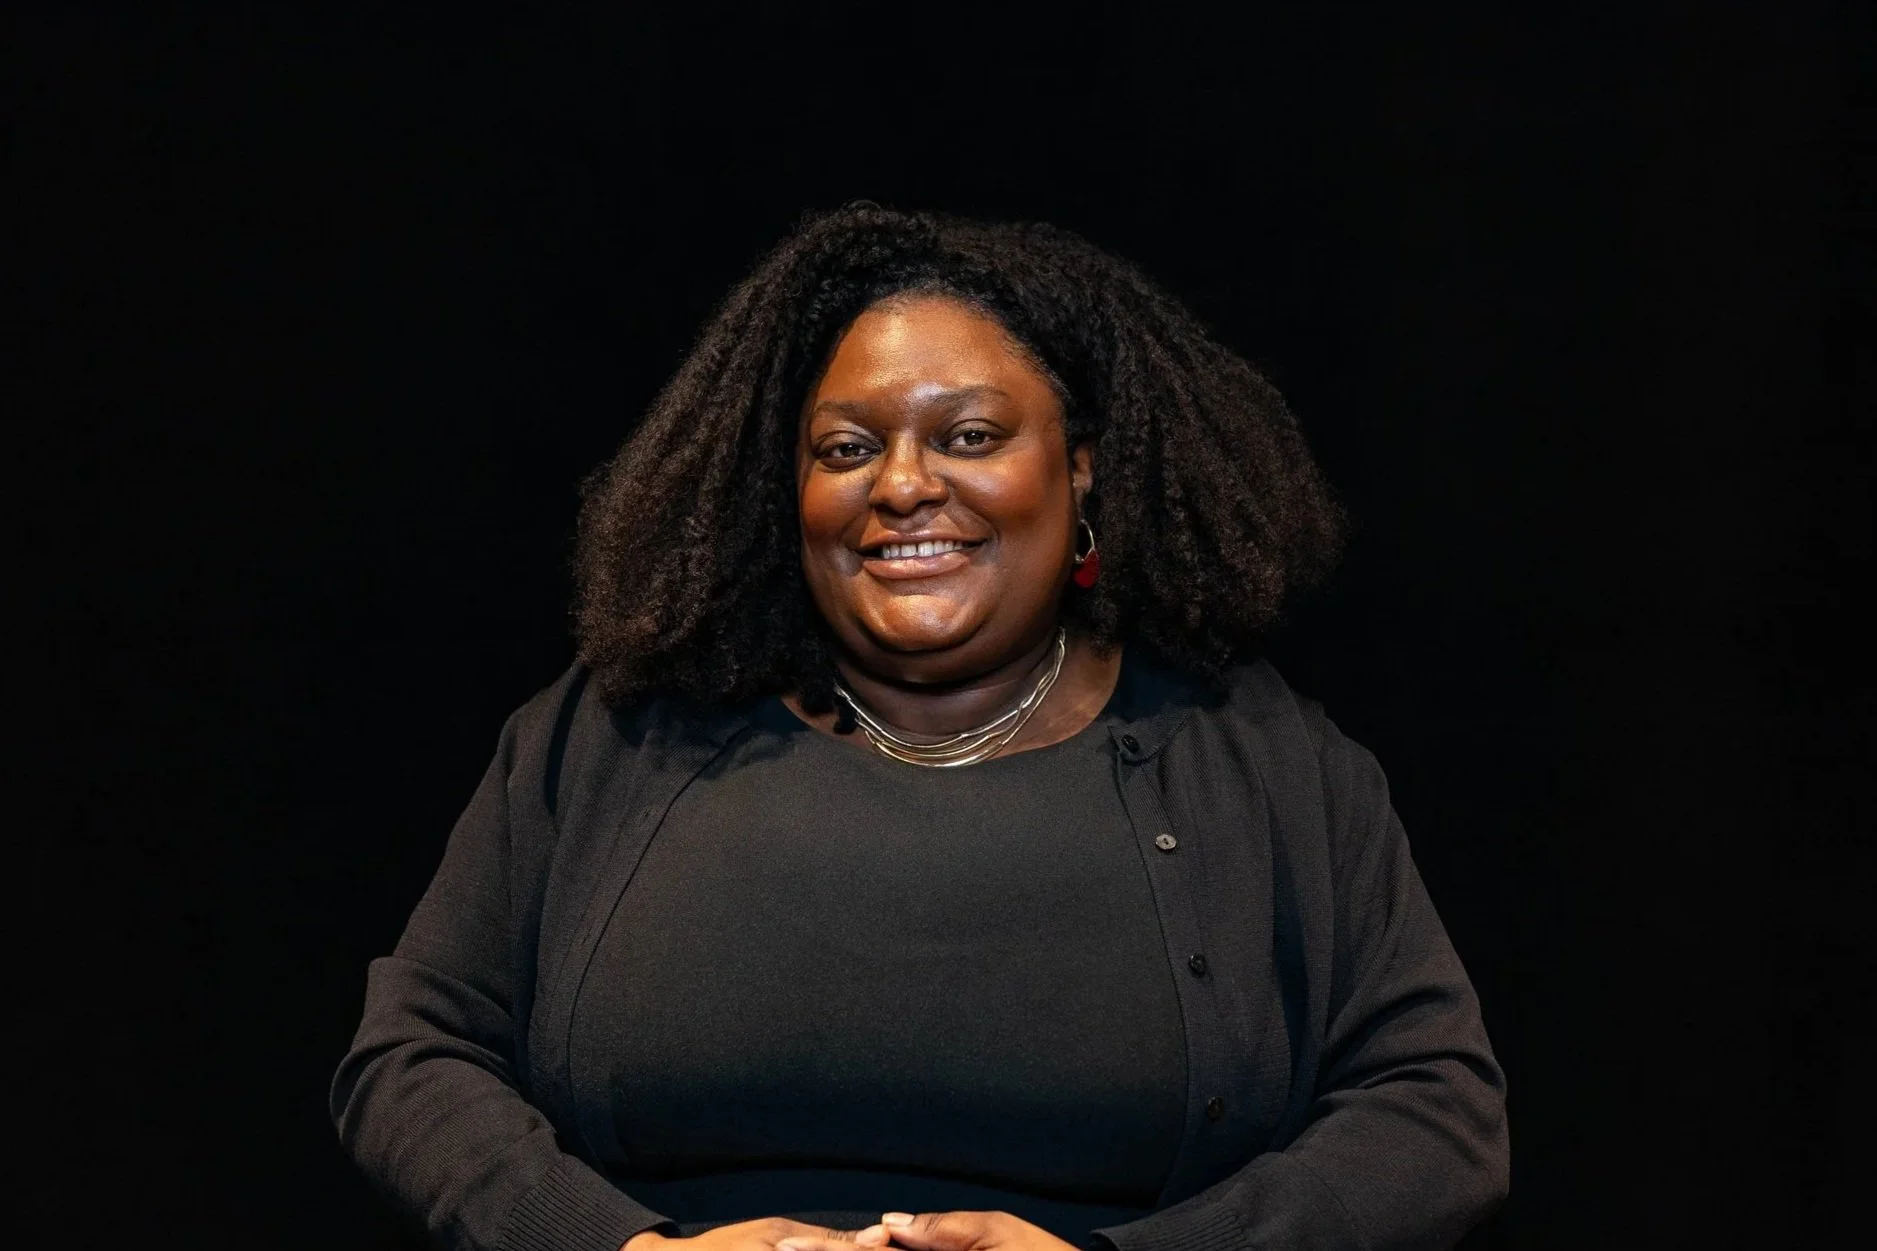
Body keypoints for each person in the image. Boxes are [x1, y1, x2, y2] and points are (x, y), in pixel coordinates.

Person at [331, 204, 1509, 1251]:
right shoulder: (616, 734)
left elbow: (1433, 1114)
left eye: (968, 436)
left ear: (1083, 470)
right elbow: (413, 1052)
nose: (901, 486)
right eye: (847, 449)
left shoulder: (1258, 761)